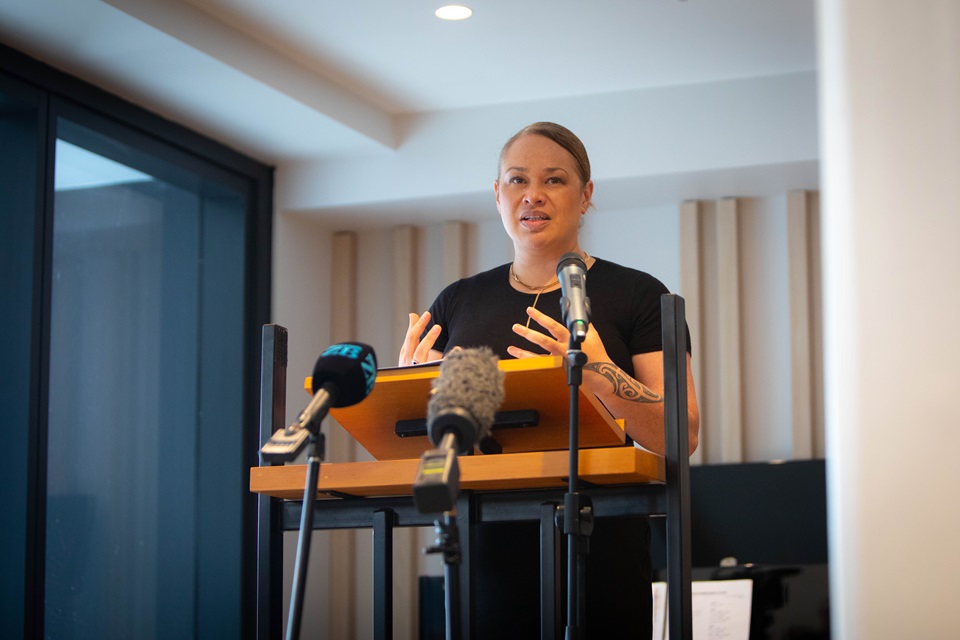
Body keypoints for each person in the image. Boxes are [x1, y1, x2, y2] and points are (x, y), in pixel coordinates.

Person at [399, 122, 700, 638]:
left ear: (586, 196)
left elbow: (683, 435)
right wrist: (409, 392)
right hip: (483, 551)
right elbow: (423, 447)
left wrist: (599, 373)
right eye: (516, 180)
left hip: (602, 546)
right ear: (497, 195)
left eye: (554, 180)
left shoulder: (638, 294)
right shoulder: (457, 302)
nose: (532, 195)